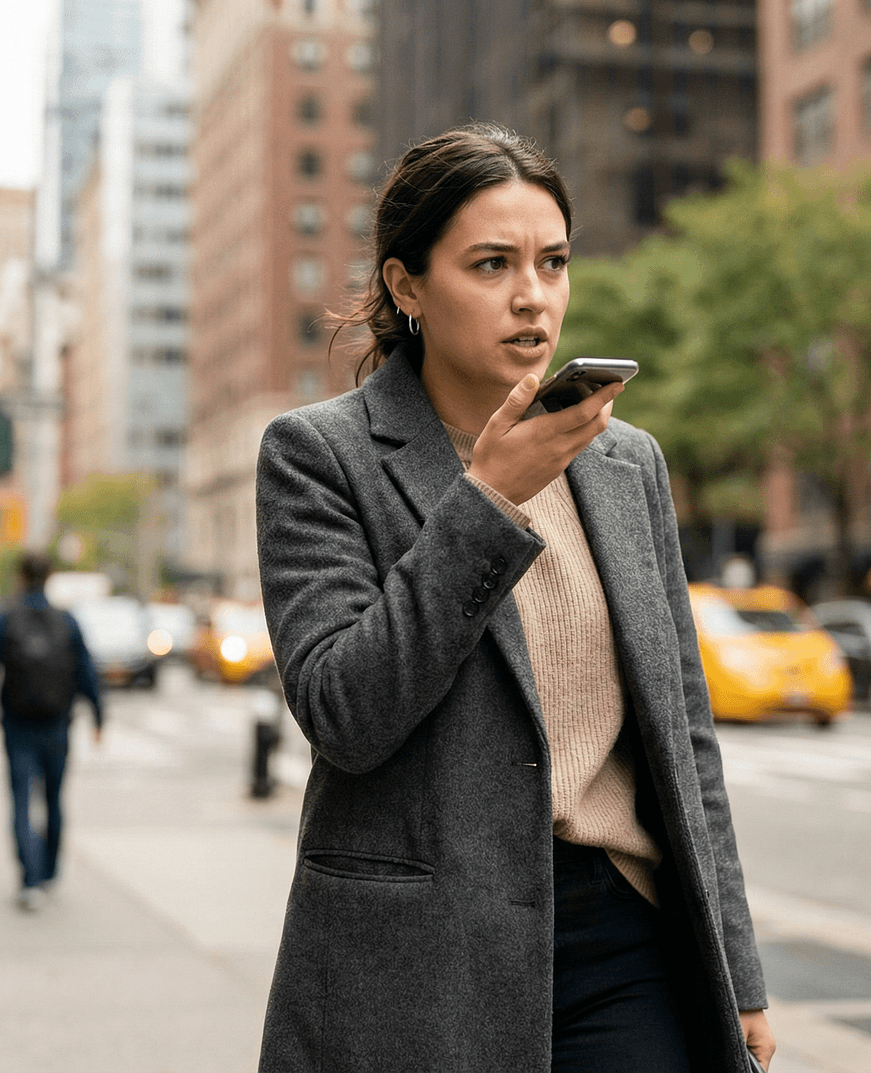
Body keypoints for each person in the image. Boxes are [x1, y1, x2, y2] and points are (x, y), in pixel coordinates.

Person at [254, 124, 772, 1073]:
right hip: (424, 953)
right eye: (491, 264)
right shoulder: (318, 456)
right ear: (408, 286)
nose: (533, 294)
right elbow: (345, 712)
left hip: (626, 932)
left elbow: (685, 730)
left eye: (553, 261)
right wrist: (487, 502)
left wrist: (737, 973)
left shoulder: (623, 461)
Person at [0, 553, 102, 912]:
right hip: (58, 723)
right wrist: (99, 716)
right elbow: (86, 671)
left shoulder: (3, 619)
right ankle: (50, 871)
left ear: (20, 576)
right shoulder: (67, 621)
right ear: (50, 577)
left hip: (17, 724)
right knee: (55, 799)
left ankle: (29, 879)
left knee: (21, 801)